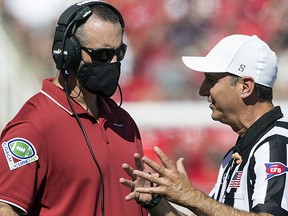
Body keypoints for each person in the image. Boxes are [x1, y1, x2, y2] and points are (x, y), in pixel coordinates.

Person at [0, 1, 147, 216]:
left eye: (119, 53)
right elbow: (5, 207)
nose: (114, 63)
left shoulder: (123, 122)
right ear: (69, 53)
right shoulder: (34, 125)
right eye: (103, 55)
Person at [120, 34, 288, 215]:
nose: (202, 91)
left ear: (245, 87)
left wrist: (191, 196)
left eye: (211, 80)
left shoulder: (276, 143)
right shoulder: (239, 151)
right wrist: (156, 202)